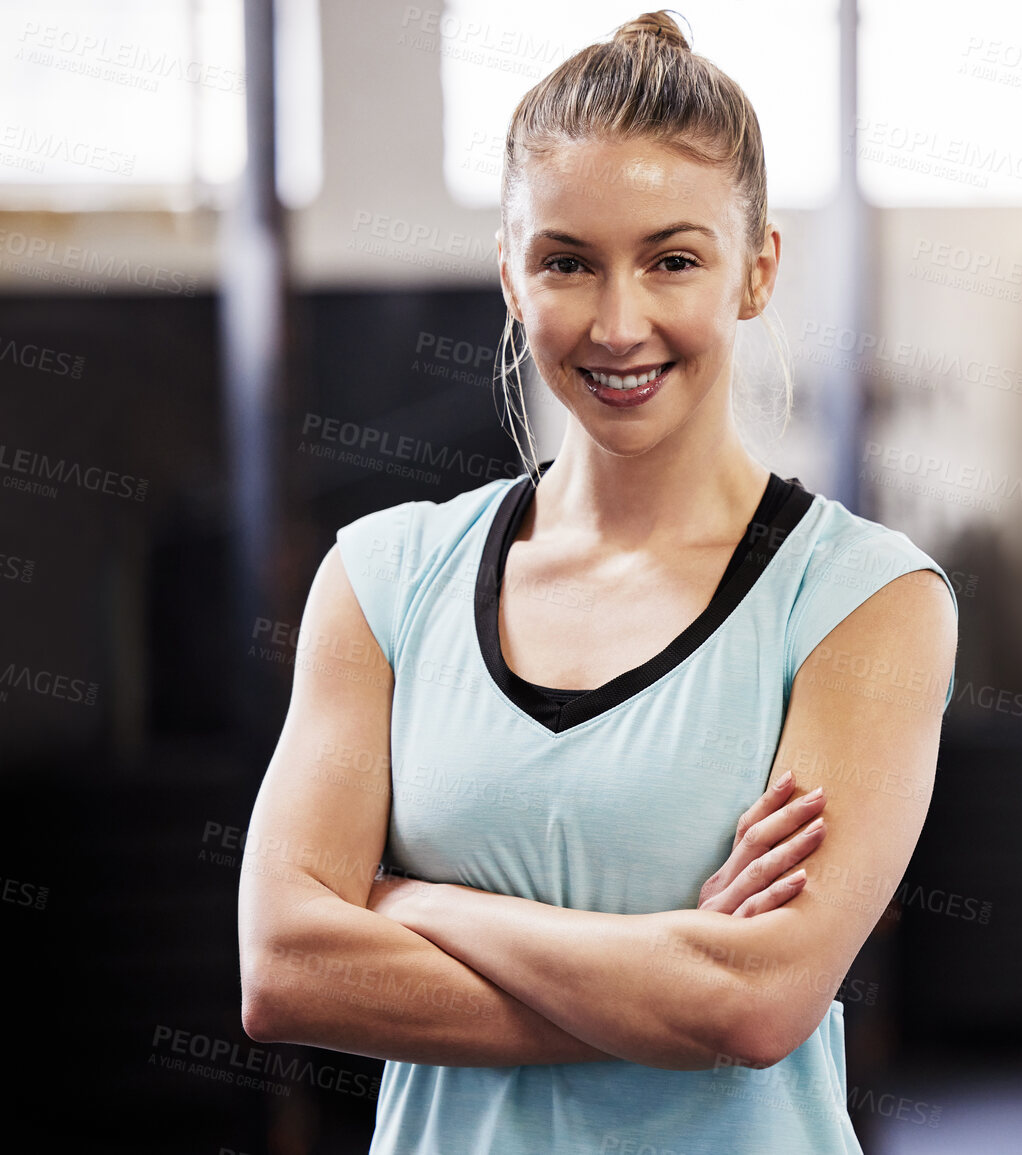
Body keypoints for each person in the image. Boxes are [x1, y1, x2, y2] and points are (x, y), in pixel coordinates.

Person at [236, 10, 959, 1153]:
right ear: (514, 279)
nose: (620, 325)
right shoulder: (382, 578)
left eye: (673, 260)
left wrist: (414, 905)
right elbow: (285, 968)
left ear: (756, 272)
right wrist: (674, 984)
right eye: (568, 261)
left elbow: (759, 1003)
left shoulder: (865, 600)